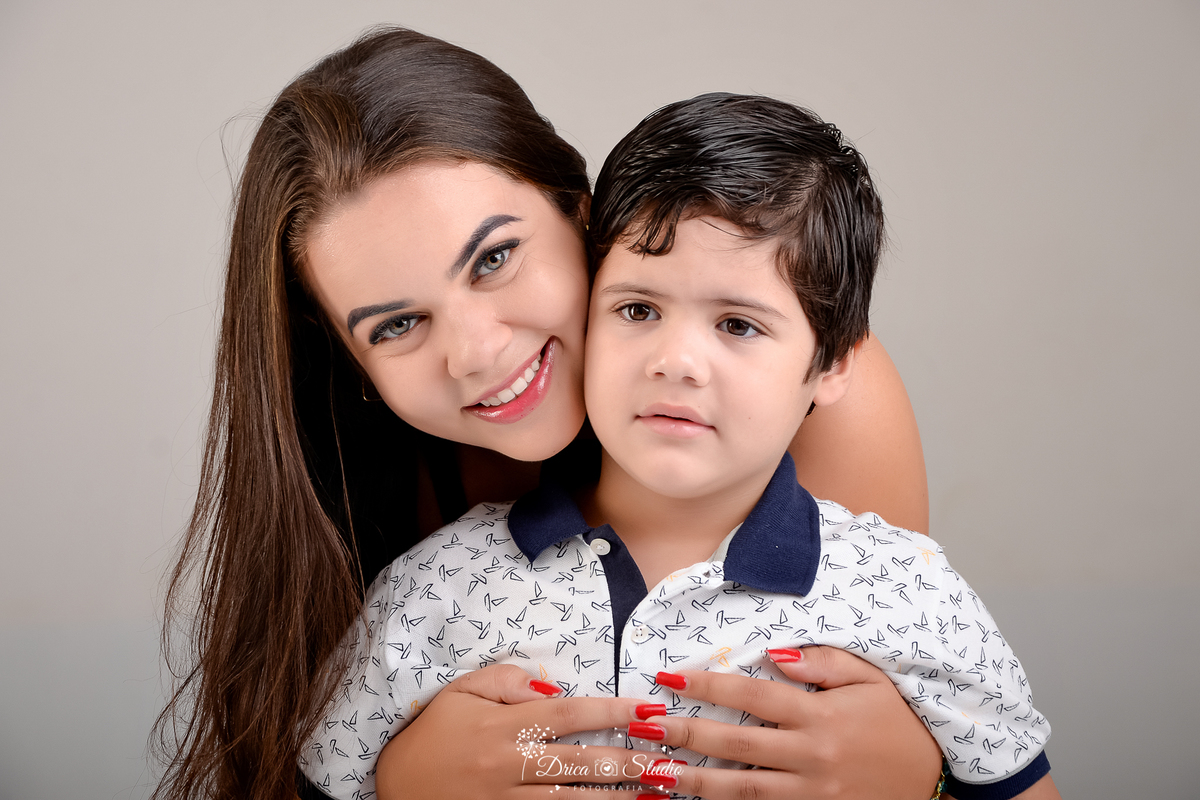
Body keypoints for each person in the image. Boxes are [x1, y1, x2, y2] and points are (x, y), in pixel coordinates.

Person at [153, 27, 940, 800]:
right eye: (396, 325)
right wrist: (397, 781)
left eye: (494, 258)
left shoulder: (817, 403)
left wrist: (925, 773)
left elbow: (899, 692)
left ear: (581, 214)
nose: (476, 352)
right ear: (351, 364)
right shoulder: (392, 511)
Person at [296, 93, 1057, 800]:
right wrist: (400, 780)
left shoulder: (909, 592)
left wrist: (919, 776)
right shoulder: (431, 590)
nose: (675, 360)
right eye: (636, 309)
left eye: (738, 325)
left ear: (832, 365)